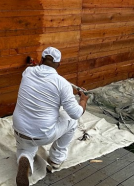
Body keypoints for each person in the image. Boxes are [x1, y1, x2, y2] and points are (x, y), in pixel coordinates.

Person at [13, 47, 89, 186]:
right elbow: (76, 113)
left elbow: (35, 70)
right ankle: (56, 159)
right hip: (42, 135)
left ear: (41, 59)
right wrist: (83, 100)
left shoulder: (27, 72)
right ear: (59, 65)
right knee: (71, 119)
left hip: (19, 130)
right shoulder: (62, 84)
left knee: (25, 148)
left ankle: (24, 157)